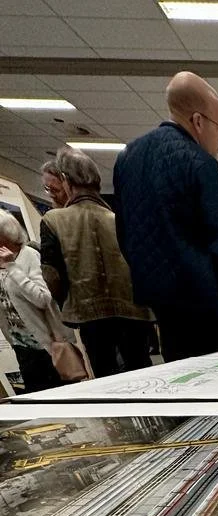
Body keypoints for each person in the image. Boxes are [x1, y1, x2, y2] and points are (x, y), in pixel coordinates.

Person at [112, 71, 218, 361]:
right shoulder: (202, 165)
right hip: (205, 304)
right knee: (214, 383)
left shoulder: (126, 158)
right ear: (198, 121)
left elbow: (124, 234)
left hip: (159, 299)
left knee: (178, 374)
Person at [40, 148, 154, 378]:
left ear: (66, 180)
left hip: (89, 314)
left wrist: (64, 302)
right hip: (133, 311)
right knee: (143, 374)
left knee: (106, 376)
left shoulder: (54, 220)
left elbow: (52, 275)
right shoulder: (118, 218)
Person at [0, 210, 66, 392]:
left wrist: (12, 267)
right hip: (21, 347)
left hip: (47, 347)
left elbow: (42, 298)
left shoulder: (28, 255)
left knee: (60, 397)